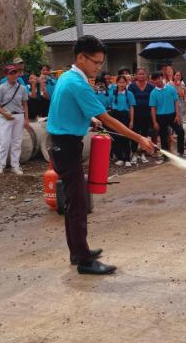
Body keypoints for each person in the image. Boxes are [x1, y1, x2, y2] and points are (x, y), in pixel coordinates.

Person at [47, 35, 155, 275]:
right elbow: (109, 119)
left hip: (64, 144)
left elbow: (73, 110)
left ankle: (78, 251)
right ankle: (84, 261)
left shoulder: (68, 77)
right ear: (80, 58)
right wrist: (139, 138)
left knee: (77, 201)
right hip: (65, 146)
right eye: (95, 62)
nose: (98, 67)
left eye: (100, 63)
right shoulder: (77, 83)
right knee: (78, 204)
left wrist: (90, 119)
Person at [0, 65, 31, 175]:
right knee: (4, 142)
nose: (14, 75)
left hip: (18, 116)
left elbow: (25, 104)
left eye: (15, 72)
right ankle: (0, 166)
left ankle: (15, 165)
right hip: (6, 116)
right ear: (6, 75)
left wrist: (26, 118)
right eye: (11, 73)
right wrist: (4, 113)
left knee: (17, 142)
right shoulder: (2, 88)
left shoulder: (22, 88)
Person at [150, 72, 185, 162]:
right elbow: (153, 108)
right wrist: (154, 122)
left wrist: (177, 115)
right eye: (156, 79)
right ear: (153, 81)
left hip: (172, 115)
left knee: (180, 131)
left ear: (162, 78)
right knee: (163, 136)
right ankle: (166, 156)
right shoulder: (153, 93)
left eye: (159, 78)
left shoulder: (170, 89)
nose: (158, 80)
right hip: (160, 116)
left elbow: (176, 102)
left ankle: (181, 153)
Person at [127, 68, 155, 164]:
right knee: (135, 134)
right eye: (139, 74)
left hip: (147, 115)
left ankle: (143, 153)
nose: (141, 75)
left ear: (146, 75)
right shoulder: (131, 87)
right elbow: (129, 101)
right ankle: (134, 153)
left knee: (144, 134)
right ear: (136, 75)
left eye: (143, 74)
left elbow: (154, 101)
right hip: (135, 114)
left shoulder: (151, 87)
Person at [109, 75, 135, 166]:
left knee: (125, 137)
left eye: (123, 82)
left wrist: (131, 120)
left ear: (126, 83)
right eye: (119, 82)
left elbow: (131, 108)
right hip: (115, 116)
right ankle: (120, 157)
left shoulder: (129, 94)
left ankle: (127, 158)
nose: (121, 84)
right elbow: (109, 105)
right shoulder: (113, 93)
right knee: (116, 138)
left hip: (125, 116)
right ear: (117, 83)